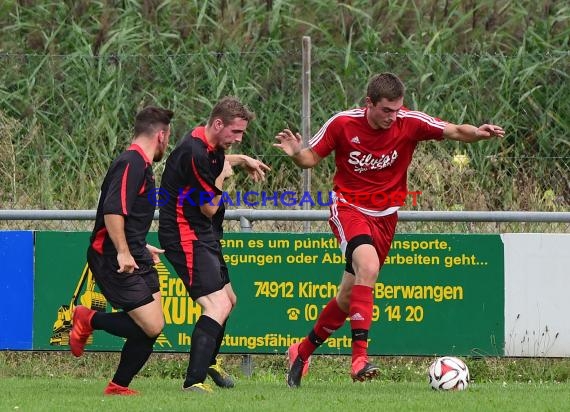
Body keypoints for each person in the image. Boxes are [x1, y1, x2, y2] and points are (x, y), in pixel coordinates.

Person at [274, 72, 505, 387]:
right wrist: (296, 154)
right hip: (349, 208)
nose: (392, 117)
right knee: (367, 266)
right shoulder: (343, 124)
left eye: (397, 110)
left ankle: (301, 351)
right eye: (386, 110)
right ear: (369, 103)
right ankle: (359, 361)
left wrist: (478, 133)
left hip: (386, 217)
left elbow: (454, 130)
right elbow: (311, 158)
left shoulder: (408, 122)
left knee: (346, 297)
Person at [158, 96, 270, 393]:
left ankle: (208, 360)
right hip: (184, 233)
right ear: (218, 124)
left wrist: (241, 159)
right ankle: (193, 382)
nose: (238, 138)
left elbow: (216, 164)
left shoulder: (207, 144)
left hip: (202, 233)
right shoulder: (194, 153)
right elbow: (209, 206)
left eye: (242, 133)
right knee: (216, 304)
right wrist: (223, 178)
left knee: (229, 300)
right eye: (235, 132)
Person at [69, 106, 174, 395]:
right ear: (161, 135)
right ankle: (87, 318)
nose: (167, 143)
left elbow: (126, 215)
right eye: (169, 138)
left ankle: (118, 387)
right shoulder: (132, 163)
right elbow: (113, 211)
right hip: (110, 256)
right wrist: (123, 252)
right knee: (151, 325)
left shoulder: (140, 164)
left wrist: (138, 245)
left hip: (133, 250)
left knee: (153, 325)